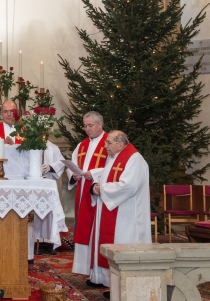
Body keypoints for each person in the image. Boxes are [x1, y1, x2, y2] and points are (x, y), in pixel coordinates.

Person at [89, 130, 151, 292]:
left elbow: (128, 186)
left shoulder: (134, 160)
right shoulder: (115, 158)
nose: (105, 145)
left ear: (120, 144)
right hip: (114, 208)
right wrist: (97, 187)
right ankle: (108, 281)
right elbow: (105, 177)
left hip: (127, 214)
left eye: (108, 142)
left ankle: (124, 287)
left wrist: (101, 189)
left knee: (123, 246)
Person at [62, 111, 108, 280]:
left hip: (100, 195)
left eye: (90, 126)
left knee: (98, 233)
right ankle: (90, 272)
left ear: (100, 124)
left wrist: (93, 174)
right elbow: (72, 165)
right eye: (85, 126)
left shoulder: (110, 142)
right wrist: (73, 175)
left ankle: (101, 275)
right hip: (83, 194)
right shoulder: (81, 145)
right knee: (85, 230)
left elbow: (114, 167)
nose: (87, 129)